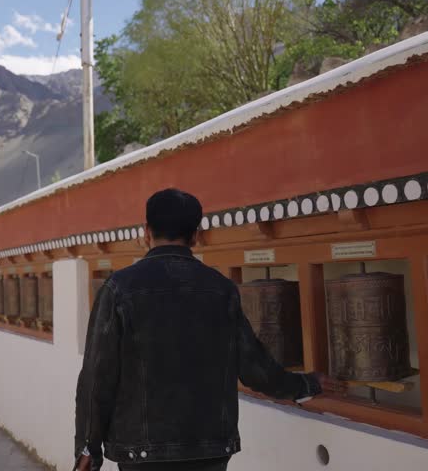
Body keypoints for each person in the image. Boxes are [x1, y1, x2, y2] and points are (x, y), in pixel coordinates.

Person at [74, 189, 346, 471]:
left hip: (143, 454)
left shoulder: (119, 288)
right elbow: (255, 368)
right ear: (195, 236)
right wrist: (306, 385)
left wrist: (87, 447)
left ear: (146, 232)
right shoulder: (221, 289)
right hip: (210, 449)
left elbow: (97, 376)